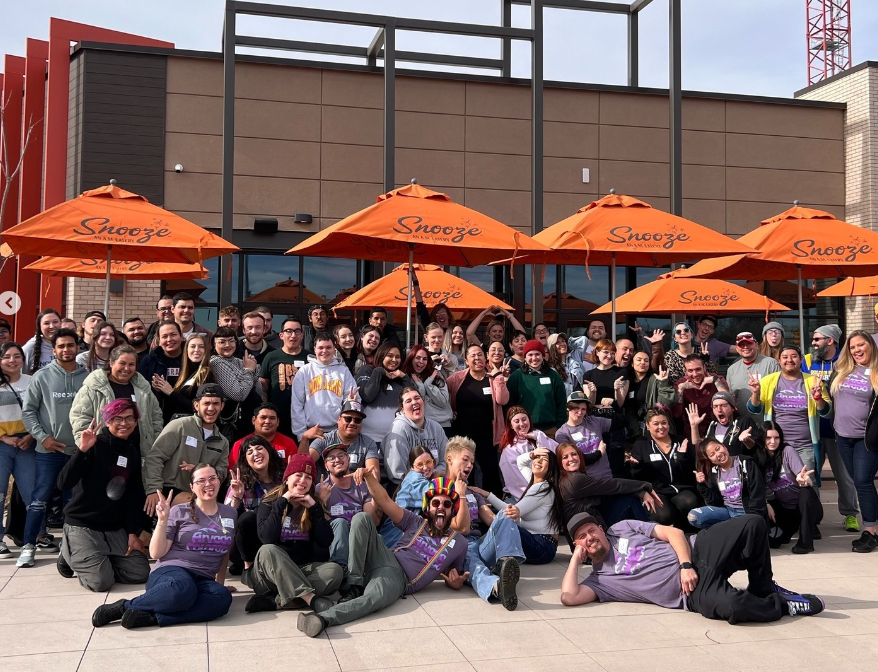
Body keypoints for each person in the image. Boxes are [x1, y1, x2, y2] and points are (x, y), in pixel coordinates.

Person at [560, 512, 825, 620]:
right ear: (578, 545)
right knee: (733, 608)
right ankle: (783, 605)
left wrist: (686, 563)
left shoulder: (622, 528)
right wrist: (574, 559)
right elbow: (569, 597)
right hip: (691, 591)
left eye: (591, 530)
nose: (589, 537)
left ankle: (763, 588)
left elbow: (673, 533)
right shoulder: (600, 581)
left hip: (697, 549)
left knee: (753, 523)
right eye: (582, 537)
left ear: (601, 529)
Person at [296, 472, 468, 638]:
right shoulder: (416, 522)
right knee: (362, 518)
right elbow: (384, 500)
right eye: (436, 503)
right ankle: (354, 585)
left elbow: (455, 576)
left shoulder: (459, 543)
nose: (440, 508)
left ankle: (323, 618)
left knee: (373, 599)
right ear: (427, 507)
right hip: (384, 555)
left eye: (446, 505)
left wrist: (455, 584)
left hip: (399, 579)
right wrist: (369, 477)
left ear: (453, 510)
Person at [91, 464, 236, 629]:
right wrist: (162, 520)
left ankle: (154, 617)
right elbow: (155, 553)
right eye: (201, 480)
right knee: (183, 589)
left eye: (212, 478)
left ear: (219, 481)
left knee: (221, 598)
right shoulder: (178, 511)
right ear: (192, 487)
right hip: (171, 573)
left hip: (203, 578)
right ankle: (125, 606)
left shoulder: (230, 513)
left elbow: (224, 552)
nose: (208, 484)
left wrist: (220, 583)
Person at [57, 400, 151, 590]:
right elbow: (63, 483)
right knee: (100, 582)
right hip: (83, 525)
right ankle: (68, 553)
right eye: (117, 418)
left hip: (113, 528)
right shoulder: (94, 444)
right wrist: (82, 450)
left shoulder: (131, 450)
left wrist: (132, 532)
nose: (124, 423)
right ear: (107, 421)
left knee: (140, 573)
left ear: (136, 421)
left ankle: (97, 558)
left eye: (129, 418)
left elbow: (132, 496)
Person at [19, 328, 88, 567]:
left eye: (70, 345)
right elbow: (28, 412)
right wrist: (42, 437)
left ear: (77, 347)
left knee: (74, 502)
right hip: (48, 451)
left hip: (78, 452)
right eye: (61, 346)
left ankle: (69, 549)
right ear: (54, 349)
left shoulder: (87, 377)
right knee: (39, 500)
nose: (66, 350)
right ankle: (28, 546)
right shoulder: (42, 376)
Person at [243, 454, 343, 613]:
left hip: (301, 568)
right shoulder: (270, 501)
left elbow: (325, 541)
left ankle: (277, 602)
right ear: (287, 478)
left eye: (308, 477)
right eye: (298, 475)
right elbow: (266, 538)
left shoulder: (313, 504)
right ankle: (310, 599)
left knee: (334, 571)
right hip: (269, 574)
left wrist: (315, 509)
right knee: (269, 549)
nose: (303, 480)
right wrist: (281, 503)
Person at [445, 437, 524, 610]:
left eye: (472, 462)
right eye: (465, 459)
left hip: (479, 543)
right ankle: (498, 587)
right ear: (449, 459)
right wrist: (460, 494)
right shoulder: (438, 490)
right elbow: (459, 527)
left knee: (505, 514)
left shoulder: (473, 492)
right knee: (475, 567)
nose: (470, 465)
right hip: (458, 546)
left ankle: (505, 563)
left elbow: (491, 518)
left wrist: (510, 516)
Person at [142, 385, 230, 515]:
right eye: (206, 403)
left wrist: (199, 470)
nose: (211, 408)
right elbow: (155, 457)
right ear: (196, 405)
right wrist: (154, 490)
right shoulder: (180, 425)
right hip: (169, 490)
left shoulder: (223, 442)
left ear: (222, 406)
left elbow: (221, 473)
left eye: (216, 403)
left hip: (200, 495)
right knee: (197, 508)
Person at [805, 323, 860, 533]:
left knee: (844, 476)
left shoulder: (846, 362)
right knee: (813, 475)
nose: (813, 343)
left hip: (839, 430)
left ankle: (850, 515)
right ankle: (814, 516)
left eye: (817, 339)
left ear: (830, 341)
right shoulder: (808, 361)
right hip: (813, 430)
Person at [747, 345, 830, 476]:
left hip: (805, 445)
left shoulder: (813, 381)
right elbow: (755, 408)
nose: (789, 360)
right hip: (776, 445)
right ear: (779, 360)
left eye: (794, 356)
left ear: (801, 359)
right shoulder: (768, 381)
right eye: (785, 357)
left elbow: (826, 412)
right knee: (779, 485)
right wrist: (755, 393)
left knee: (807, 483)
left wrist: (818, 397)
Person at [70, 344, 163, 458]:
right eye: (122, 363)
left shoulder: (144, 389)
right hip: (103, 453)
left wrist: (154, 442)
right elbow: (79, 418)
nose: (126, 368)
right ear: (111, 363)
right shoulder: (93, 388)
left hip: (138, 453)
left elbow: (156, 417)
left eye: (131, 364)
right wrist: (87, 447)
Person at [830, 329, 878, 550]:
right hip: (843, 437)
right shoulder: (842, 370)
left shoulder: (876, 372)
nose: (857, 350)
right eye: (852, 347)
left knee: (863, 481)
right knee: (859, 483)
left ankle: (870, 531)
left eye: (861, 345)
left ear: (870, 345)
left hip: (865, 440)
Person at [447, 344, 510, 496]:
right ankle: (467, 504)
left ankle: (493, 505)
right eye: (473, 355)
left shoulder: (493, 377)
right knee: (466, 471)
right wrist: (450, 411)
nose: (477, 358)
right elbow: (443, 396)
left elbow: (503, 400)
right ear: (466, 360)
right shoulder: (457, 378)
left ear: (485, 356)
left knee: (490, 471)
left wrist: (499, 377)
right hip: (462, 435)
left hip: (487, 435)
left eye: (480, 354)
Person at [755, 421, 823, 554]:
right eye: (768, 438)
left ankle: (806, 543)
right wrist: (766, 503)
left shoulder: (787, 451)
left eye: (776, 437)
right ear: (762, 438)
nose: (773, 442)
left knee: (806, 492)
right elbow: (757, 487)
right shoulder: (759, 457)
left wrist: (803, 480)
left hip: (805, 506)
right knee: (776, 541)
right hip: (786, 510)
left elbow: (803, 475)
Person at [556, 442, 659, 528]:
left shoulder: (572, 477)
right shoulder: (575, 480)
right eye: (565, 457)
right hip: (588, 534)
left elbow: (608, 491)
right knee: (630, 502)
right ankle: (652, 532)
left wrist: (640, 492)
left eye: (574, 454)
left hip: (593, 523)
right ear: (560, 463)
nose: (571, 459)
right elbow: (613, 485)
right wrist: (644, 486)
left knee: (626, 498)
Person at [224, 435, 286, 574]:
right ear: (245, 460)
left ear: (269, 451)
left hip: (279, 537)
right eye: (250, 452)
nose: (256, 453)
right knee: (247, 517)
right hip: (249, 544)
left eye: (259, 448)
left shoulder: (285, 478)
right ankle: (249, 570)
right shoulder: (240, 483)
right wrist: (237, 498)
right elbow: (226, 522)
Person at [628, 409, 698, 528]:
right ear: (648, 426)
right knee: (664, 516)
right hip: (656, 492)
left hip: (680, 488)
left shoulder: (680, 441)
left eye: (664, 423)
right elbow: (636, 477)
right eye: (656, 424)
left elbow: (690, 472)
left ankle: (686, 532)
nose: (661, 427)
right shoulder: (641, 445)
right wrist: (636, 466)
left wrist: (682, 457)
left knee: (689, 502)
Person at [316, 443, 379, 573]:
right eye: (331, 458)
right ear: (326, 466)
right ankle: (340, 569)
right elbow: (318, 527)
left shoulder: (362, 485)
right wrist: (321, 501)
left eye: (341, 455)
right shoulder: (320, 489)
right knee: (340, 522)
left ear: (348, 459)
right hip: (334, 541)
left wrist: (372, 484)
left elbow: (371, 520)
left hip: (359, 538)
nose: (337, 460)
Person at [0, 342, 35, 558]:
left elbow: (42, 411)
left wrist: (32, 436)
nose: (12, 360)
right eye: (6, 357)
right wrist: (4, 437)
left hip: (28, 443)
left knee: (32, 494)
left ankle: (34, 538)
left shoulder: (32, 381)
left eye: (17, 356)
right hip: (2, 444)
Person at [291, 332, 358, 440]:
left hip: (338, 431)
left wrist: (351, 402)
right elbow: (296, 404)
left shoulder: (343, 371)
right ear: (314, 349)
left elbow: (352, 399)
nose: (324, 351)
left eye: (328, 347)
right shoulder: (304, 371)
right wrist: (301, 434)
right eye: (320, 347)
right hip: (311, 431)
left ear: (334, 348)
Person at [689, 438, 767, 529]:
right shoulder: (714, 473)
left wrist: (753, 519)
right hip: (727, 511)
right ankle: (728, 531)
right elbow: (714, 502)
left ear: (724, 446)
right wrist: (701, 485)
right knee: (694, 517)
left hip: (747, 512)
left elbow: (758, 493)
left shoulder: (746, 463)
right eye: (712, 454)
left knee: (738, 532)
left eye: (718, 449)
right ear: (710, 460)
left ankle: (732, 531)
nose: (718, 454)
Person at [582, 339, 632, 476]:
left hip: (614, 420)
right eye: (605, 352)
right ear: (597, 353)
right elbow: (590, 405)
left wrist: (616, 391)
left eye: (612, 353)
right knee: (596, 457)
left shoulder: (621, 372)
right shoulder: (589, 375)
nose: (609, 356)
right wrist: (592, 392)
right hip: (594, 420)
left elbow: (620, 403)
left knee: (615, 460)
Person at [510, 447, 565, 563]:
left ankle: (498, 561)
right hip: (542, 546)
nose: (538, 461)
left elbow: (514, 511)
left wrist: (487, 496)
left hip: (542, 546)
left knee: (504, 523)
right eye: (536, 458)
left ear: (551, 468)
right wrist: (532, 454)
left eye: (544, 459)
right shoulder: (536, 481)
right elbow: (520, 462)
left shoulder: (543, 487)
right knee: (502, 520)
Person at [260, 317, 312, 438]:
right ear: (281, 335)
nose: (293, 335)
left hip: (305, 417)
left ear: (302, 335)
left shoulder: (310, 358)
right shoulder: (271, 357)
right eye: (289, 331)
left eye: (297, 331)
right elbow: (264, 385)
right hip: (278, 416)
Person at [384, 387, 448, 484]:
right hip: (404, 485)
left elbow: (446, 461)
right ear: (402, 409)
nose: (414, 402)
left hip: (435, 481)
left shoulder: (436, 427)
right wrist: (425, 479)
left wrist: (434, 473)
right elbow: (397, 473)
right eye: (408, 401)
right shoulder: (399, 429)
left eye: (417, 398)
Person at [357, 341, 414, 447]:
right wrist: (379, 372)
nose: (394, 360)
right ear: (381, 355)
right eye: (390, 356)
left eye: (398, 357)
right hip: (368, 439)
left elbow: (413, 400)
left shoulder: (400, 377)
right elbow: (367, 396)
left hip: (396, 439)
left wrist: (404, 377)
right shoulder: (368, 370)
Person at [304, 399, 380, 477]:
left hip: (356, 487)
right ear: (339, 419)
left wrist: (366, 474)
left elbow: (375, 476)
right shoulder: (324, 439)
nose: (352, 423)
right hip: (326, 487)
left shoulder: (368, 443)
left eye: (357, 420)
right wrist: (305, 439)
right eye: (348, 419)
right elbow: (304, 465)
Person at [211, 327, 263, 440]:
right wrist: (249, 371)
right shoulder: (216, 362)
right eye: (222, 342)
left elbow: (258, 390)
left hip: (250, 416)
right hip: (233, 423)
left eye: (231, 341)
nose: (227, 345)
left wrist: (252, 372)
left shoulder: (241, 361)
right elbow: (238, 394)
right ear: (214, 345)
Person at [507, 339, 566, 435]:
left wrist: (559, 426)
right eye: (530, 355)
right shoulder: (516, 376)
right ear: (525, 357)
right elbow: (510, 404)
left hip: (550, 430)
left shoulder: (553, 375)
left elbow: (561, 402)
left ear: (543, 356)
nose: (534, 358)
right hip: (524, 430)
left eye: (537, 354)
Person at [498, 406, 558, 501]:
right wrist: (535, 496)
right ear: (510, 426)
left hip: (545, 490)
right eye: (516, 421)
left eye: (524, 419)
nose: (521, 424)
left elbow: (558, 452)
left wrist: (539, 437)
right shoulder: (510, 449)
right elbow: (516, 481)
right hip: (522, 496)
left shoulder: (538, 435)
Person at [725, 331, 781, 425]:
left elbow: (780, 392)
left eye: (749, 344)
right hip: (742, 424)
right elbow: (732, 397)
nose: (745, 347)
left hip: (767, 423)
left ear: (756, 345)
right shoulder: (732, 369)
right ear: (737, 349)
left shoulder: (771, 363)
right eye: (742, 345)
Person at [155, 333, 215, 420]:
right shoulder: (185, 372)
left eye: (201, 347)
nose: (196, 350)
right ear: (186, 350)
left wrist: (171, 392)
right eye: (193, 346)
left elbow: (199, 408)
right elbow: (175, 402)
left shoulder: (206, 374)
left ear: (206, 350)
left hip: (193, 426)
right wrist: (161, 389)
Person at [672, 355, 730, 444]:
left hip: (716, 425)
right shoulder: (681, 384)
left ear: (704, 368)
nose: (695, 374)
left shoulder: (716, 378)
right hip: (692, 428)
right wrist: (680, 390)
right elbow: (677, 414)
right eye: (690, 371)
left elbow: (729, 401)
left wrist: (715, 381)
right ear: (685, 371)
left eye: (698, 369)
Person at [624, 352, 676, 442]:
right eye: (639, 360)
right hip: (633, 429)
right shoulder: (628, 381)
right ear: (632, 363)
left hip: (653, 428)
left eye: (646, 360)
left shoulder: (655, 379)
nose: (643, 362)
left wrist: (663, 383)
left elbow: (667, 402)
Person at [139, 320, 184, 424]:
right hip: (157, 420)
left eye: (173, 334)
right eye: (164, 336)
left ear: (181, 336)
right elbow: (138, 391)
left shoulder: (191, 360)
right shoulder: (148, 361)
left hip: (186, 419)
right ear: (158, 340)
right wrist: (153, 389)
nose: (169, 339)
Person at [228, 403, 297, 470]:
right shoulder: (240, 444)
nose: (267, 421)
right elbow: (233, 472)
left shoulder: (288, 443)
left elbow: (294, 471)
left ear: (278, 422)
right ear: (253, 420)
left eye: (272, 418)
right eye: (263, 417)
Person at [688, 391, 758, 457]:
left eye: (723, 406)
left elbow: (756, 449)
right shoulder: (712, 426)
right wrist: (694, 426)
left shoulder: (744, 422)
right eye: (715, 406)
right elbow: (699, 448)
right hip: (718, 468)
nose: (719, 410)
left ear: (732, 408)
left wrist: (747, 440)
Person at [403, 344, 451, 431]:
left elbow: (443, 402)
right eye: (418, 358)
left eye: (425, 359)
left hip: (442, 425)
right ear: (411, 358)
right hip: (418, 425)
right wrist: (421, 388)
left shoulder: (435, 374)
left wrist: (428, 385)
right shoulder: (406, 378)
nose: (421, 361)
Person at [23, 308, 61, 373]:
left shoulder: (68, 344)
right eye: (46, 323)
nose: (51, 326)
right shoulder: (31, 346)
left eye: (55, 322)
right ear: (39, 326)